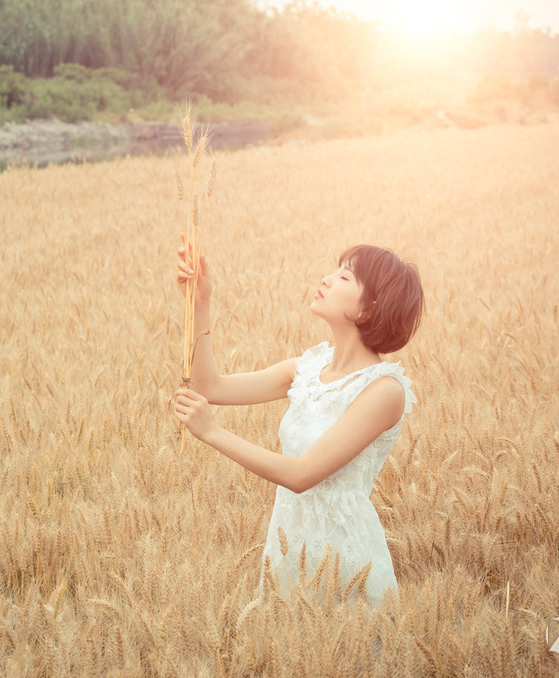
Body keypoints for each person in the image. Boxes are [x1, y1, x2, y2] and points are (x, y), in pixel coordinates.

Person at [172, 237, 423, 606]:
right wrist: (200, 302)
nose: (326, 278)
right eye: (334, 270)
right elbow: (209, 386)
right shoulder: (305, 369)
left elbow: (301, 475)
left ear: (370, 307)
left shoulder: (385, 390)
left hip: (346, 559)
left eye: (345, 277)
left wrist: (212, 432)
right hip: (289, 546)